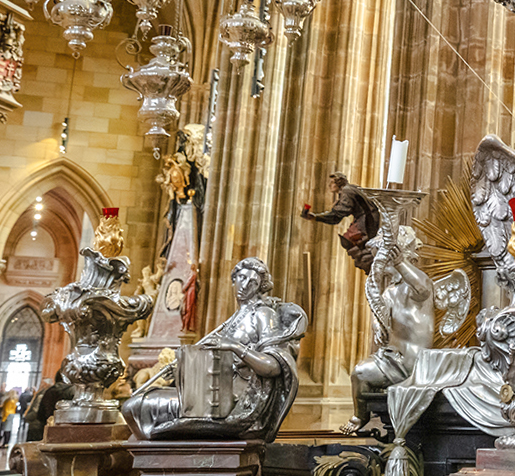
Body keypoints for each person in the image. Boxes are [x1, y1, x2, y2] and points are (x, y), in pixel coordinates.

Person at [122, 257, 307, 441]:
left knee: (136, 408)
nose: (244, 285)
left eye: (252, 282)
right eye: (241, 278)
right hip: (213, 392)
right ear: (233, 280)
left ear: (261, 286)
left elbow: (274, 366)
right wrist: (184, 368)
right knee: (136, 404)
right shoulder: (234, 318)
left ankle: (162, 460)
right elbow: (216, 362)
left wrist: (235, 346)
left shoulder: (263, 314)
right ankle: (160, 460)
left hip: (234, 401)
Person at [344, 227, 434, 435]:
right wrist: (378, 326)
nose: (379, 263)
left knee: (360, 373)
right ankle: (364, 415)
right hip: (393, 358)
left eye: (382, 257)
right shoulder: (390, 291)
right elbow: (382, 318)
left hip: (413, 362)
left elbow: (423, 289)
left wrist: (400, 262)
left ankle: (360, 416)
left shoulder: (416, 286)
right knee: (360, 372)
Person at [301, 172, 380, 272]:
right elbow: (337, 216)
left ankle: (368, 261)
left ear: (339, 182)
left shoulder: (347, 191)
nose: (330, 185)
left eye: (332, 182)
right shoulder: (350, 189)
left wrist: (316, 217)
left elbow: (337, 214)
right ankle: (367, 260)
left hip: (367, 221)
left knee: (349, 240)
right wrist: (316, 217)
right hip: (367, 219)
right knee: (350, 240)